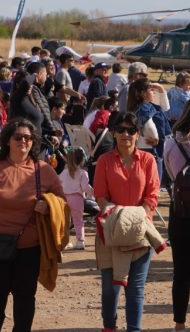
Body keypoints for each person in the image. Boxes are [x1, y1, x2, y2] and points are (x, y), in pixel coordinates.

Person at [0, 118, 64, 332]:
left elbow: (62, 204)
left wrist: (48, 207)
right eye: (18, 136)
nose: (23, 141)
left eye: (28, 137)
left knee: (25, 296)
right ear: (7, 140)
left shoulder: (43, 170)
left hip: (30, 247)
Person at [94, 111, 160, 332]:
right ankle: (109, 328)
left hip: (141, 232)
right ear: (113, 132)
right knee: (110, 289)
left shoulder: (149, 160)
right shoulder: (103, 160)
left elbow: (152, 195)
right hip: (110, 232)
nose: (126, 134)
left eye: (131, 130)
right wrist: (120, 218)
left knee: (136, 289)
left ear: (138, 133)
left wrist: (136, 219)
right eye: (120, 129)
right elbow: (100, 196)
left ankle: (134, 329)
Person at [163, 101, 190, 331]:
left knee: (180, 270)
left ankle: (179, 323)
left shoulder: (171, 144)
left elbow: (171, 176)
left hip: (179, 210)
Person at [58, 147, 93, 250]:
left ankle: (66, 241)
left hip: (64, 199)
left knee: (65, 221)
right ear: (81, 160)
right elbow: (85, 187)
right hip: (77, 199)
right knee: (78, 220)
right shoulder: (83, 173)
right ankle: (80, 241)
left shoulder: (63, 173)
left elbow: (58, 184)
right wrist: (91, 195)